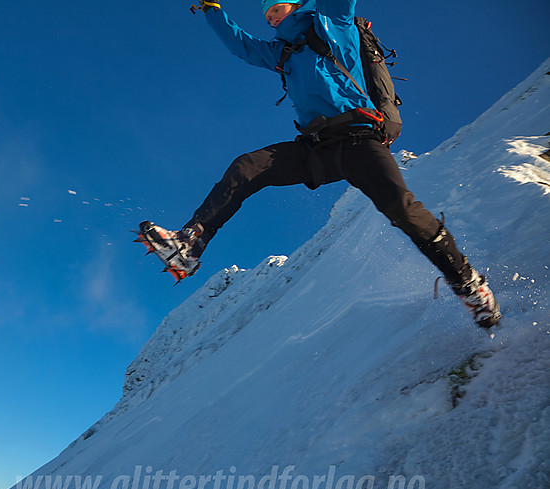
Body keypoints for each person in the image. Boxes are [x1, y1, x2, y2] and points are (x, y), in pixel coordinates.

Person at [147, 0, 500, 328]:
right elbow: (241, 45)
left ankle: (468, 285)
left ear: (298, 5)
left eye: (277, 10)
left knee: (402, 209)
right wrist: (211, 9)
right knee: (248, 166)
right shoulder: (280, 51)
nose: (271, 19)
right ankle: (191, 243)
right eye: (267, 17)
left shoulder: (335, 23)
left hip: (360, 139)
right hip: (315, 148)